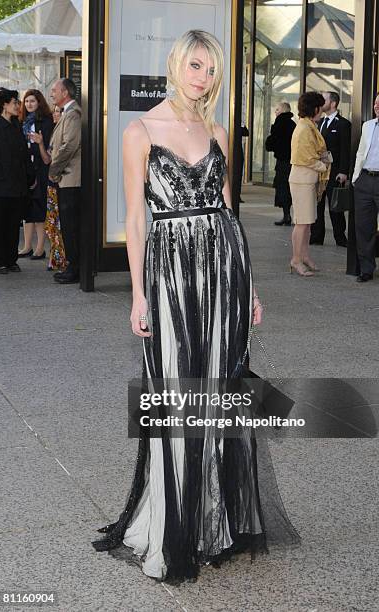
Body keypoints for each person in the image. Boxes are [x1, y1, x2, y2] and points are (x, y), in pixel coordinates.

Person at [92, 30, 300, 583]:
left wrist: (250, 286)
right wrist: (137, 292)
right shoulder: (138, 132)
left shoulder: (216, 131)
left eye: (211, 70)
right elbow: (136, 219)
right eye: (195, 65)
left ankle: (211, 520)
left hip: (223, 274)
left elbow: (228, 212)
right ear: (176, 64)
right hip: (169, 277)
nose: (202, 77)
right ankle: (168, 528)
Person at [289, 92, 331, 277]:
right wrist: (324, 164)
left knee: (307, 222)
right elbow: (306, 157)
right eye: (320, 108)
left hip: (306, 179)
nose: (322, 111)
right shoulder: (305, 128)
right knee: (302, 223)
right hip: (302, 179)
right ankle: (296, 260)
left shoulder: (308, 125)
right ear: (314, 108)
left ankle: (304, 256)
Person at [0, 88, 35, 274]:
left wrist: (30, 177)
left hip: (18, 186)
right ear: (4, 105)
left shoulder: (17, 126)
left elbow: (24, 155)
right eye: (15, 103)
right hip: (1, 186)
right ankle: (0, 261)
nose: (18, 106)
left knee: (13, 224)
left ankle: (11, 259)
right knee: (0, 224)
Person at [49, 78, 81, 284]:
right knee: (68, 225)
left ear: (65, 93)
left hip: (71, 179)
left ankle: (75, 268)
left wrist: (53, 169)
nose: (52, 93)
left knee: (71, 226)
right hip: (66, 179)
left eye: (54, 90)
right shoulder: (68, 113)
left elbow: (70, 146)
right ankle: (73, 266)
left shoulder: (73, 114)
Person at [310, 91, 351, 247]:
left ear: (333, 103)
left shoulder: (343, 124)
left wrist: (343, 171)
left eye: (324, 99)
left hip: (335, 173)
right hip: (319, 171)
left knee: (336, 207)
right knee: (318, 205)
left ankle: (340, 237)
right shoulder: (318, 123)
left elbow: (345, 150)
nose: (321, 102)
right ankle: (316, 237)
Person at [18, 89, 54, 260]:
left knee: (39, 209)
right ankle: (26, 246)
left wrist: (38, 144)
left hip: (41, 169)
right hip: (26, 171)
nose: (29, 104)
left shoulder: (46, 122)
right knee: (27, 210)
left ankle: (40, 248)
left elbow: (48, 149)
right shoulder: (22, 122)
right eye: (26, 101)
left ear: (39, 102)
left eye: (32, 101)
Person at [29, 105, 66, 271]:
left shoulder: (65, 132)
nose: (55, 114)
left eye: (58, 111)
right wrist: (41, 143)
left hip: (63, 183)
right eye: (54, 111)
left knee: (61, 223)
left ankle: (61, 258)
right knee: (52, 225)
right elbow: (46, 160)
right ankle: (56, 258)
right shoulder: (53, 133)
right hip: (51, 183)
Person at [351, 93, 379, 283]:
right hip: (365, 180)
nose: (377, 106)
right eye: (376, 102)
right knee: (364, 227)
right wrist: (355, 178)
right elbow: (361, 152)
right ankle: (367, 269)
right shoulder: (367, 126)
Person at [265, 102, 296, 226]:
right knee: (290, 189)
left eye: (277, 109)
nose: (275, 112)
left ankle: (286, 215)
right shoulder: (293, 124)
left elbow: (272, 142)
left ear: (283, 110)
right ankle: (289, 216)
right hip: (292, 161)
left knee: (283, 188)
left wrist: (270, 142)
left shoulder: (279, 123)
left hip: (283, 162)